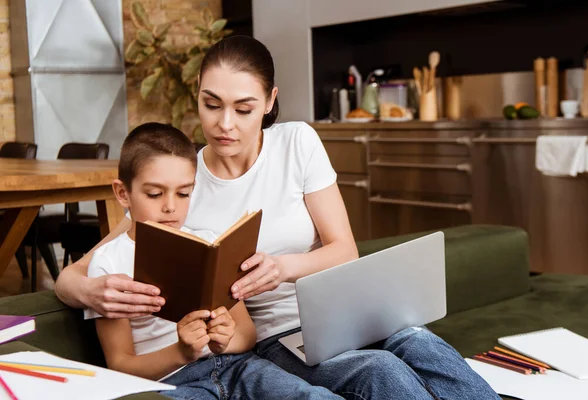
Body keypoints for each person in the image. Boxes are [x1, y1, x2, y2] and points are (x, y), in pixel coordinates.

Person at [57, 36, 499, 399]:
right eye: (211, 104)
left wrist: (282, 268)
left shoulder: (297, 142)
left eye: (244, 108)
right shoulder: (181, 183)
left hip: (345, 311)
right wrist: (94, 291)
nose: (225, 124)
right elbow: (80, 272)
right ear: (197, 95)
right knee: (379, 370)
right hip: (277, 337)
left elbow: (344, 248)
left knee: (419, 340)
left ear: (269, 102)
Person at [84, 122, 340, 399]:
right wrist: (180, 352)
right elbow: (119, 366)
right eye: (155, 194)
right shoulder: (108, 265)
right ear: (123, 193)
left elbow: (246, 335)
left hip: (239, 368)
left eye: (183, 193)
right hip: (174, 384)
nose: (170, 206)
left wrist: (225, 339)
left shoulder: (209, 243)